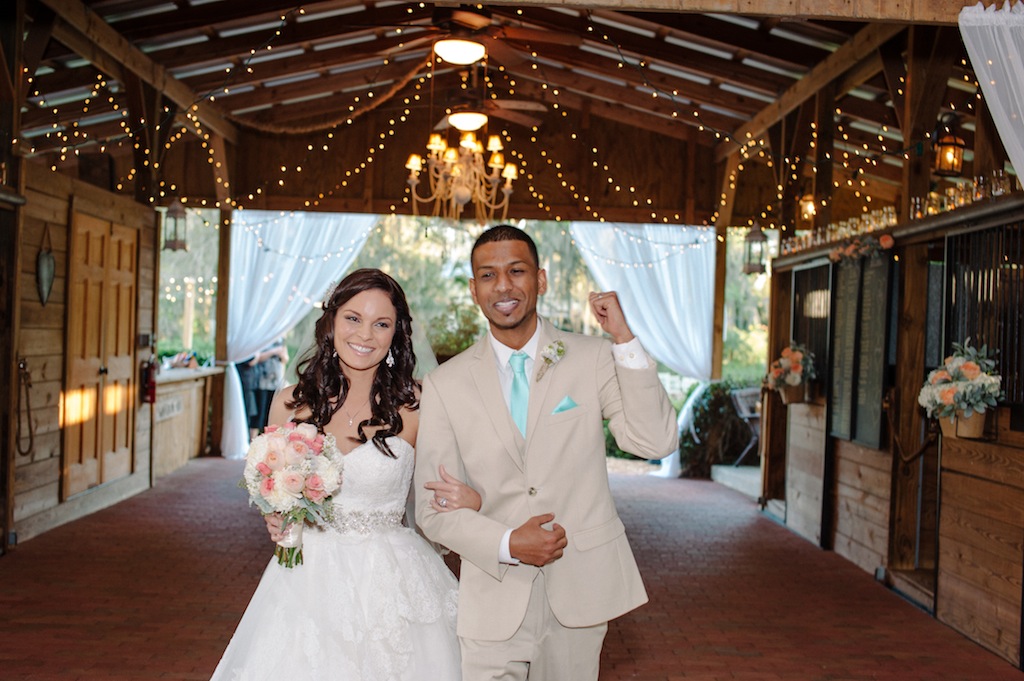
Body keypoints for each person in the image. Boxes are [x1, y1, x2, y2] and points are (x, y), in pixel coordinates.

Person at [413, 225, 678, 680]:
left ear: (541, 279)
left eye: (517, 271)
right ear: (474, 289)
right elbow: (431, 511)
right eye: (488, 275)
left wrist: (624, 340)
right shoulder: (445, 384)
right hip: (491, 595)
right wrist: (508, 542)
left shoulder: (593, 356)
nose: (504, 286)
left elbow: (654, 441)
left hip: (579, 587)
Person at [211, 268, 478, 681]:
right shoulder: (289, 404)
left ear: (396, 334)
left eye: (381, 324)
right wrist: (276, 513)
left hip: (394, 581)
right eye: (353, 318)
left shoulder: (419, 404)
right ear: (331, 321)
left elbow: (451, 484)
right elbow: (274, 484)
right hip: (308, 577)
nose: (365, 335)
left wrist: (472, 499)